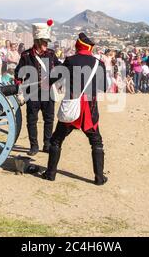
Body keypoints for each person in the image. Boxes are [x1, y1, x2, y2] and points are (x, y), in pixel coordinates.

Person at [42, 32, 108, 186]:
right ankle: (99, 178)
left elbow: (53, 78)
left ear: (78, 45)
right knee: (96, 142)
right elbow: (103, 88)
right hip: (89, 110)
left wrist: (45, 83)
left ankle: (50, 174)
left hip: (72, 106)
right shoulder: (99, 63)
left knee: (56, 140)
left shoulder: (70, 60)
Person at [15, 20, 60, 156]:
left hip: (48, 93)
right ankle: (34, 146)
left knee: (49, 119)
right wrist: (21, 88)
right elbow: (18, 74)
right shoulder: (26, 55)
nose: (47, 44)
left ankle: (47, 144)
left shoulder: (51, 54)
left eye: (47, 42)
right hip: (32, 93)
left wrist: (53, 79)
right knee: (32, 120)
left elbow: (60, 69)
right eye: (44, 42)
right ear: (38, 42)